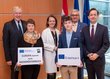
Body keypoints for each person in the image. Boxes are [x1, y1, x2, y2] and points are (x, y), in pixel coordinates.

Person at [81, 8, 109, 79]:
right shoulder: (84, 29)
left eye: (94, 15)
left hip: (99, 60)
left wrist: (97, 54)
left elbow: (106, 44)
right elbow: (82, 44)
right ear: (88, 17)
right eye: (91, 15)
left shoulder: (104, 28)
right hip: (88, 60)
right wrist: (88, 53)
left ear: (97, 16)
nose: (93, 16)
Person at [2, 6, 26, 79]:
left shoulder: (26, 23)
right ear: (13, 14)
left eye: (19, 13)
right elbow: (5, 43)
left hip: (25, 55)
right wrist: (8, 58)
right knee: (15, 75)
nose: (18, 15)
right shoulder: (7, 25)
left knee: (25, 74)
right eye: (16, 13)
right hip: (14, 56)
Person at [70, 9, 87, 79]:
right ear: (71, 16)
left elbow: (86, 40)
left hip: (80, 53)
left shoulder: (84, 26)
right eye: (73, 15)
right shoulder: (67, 25)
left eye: (76, 15)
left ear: (79, 16)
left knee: (80, 73)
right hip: (69, 54)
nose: (74, 17)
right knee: (70, 73)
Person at [42, 15, 59, 79]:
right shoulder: (45, 32)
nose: (52, 22)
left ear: (55, 22)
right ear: (48, 22)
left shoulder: (57, 31)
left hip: (56, 55)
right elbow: (43, 44)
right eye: (50, 21)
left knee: (54, 73)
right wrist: (53, 47)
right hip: (49, 55)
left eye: (53, 21)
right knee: (50, 74)